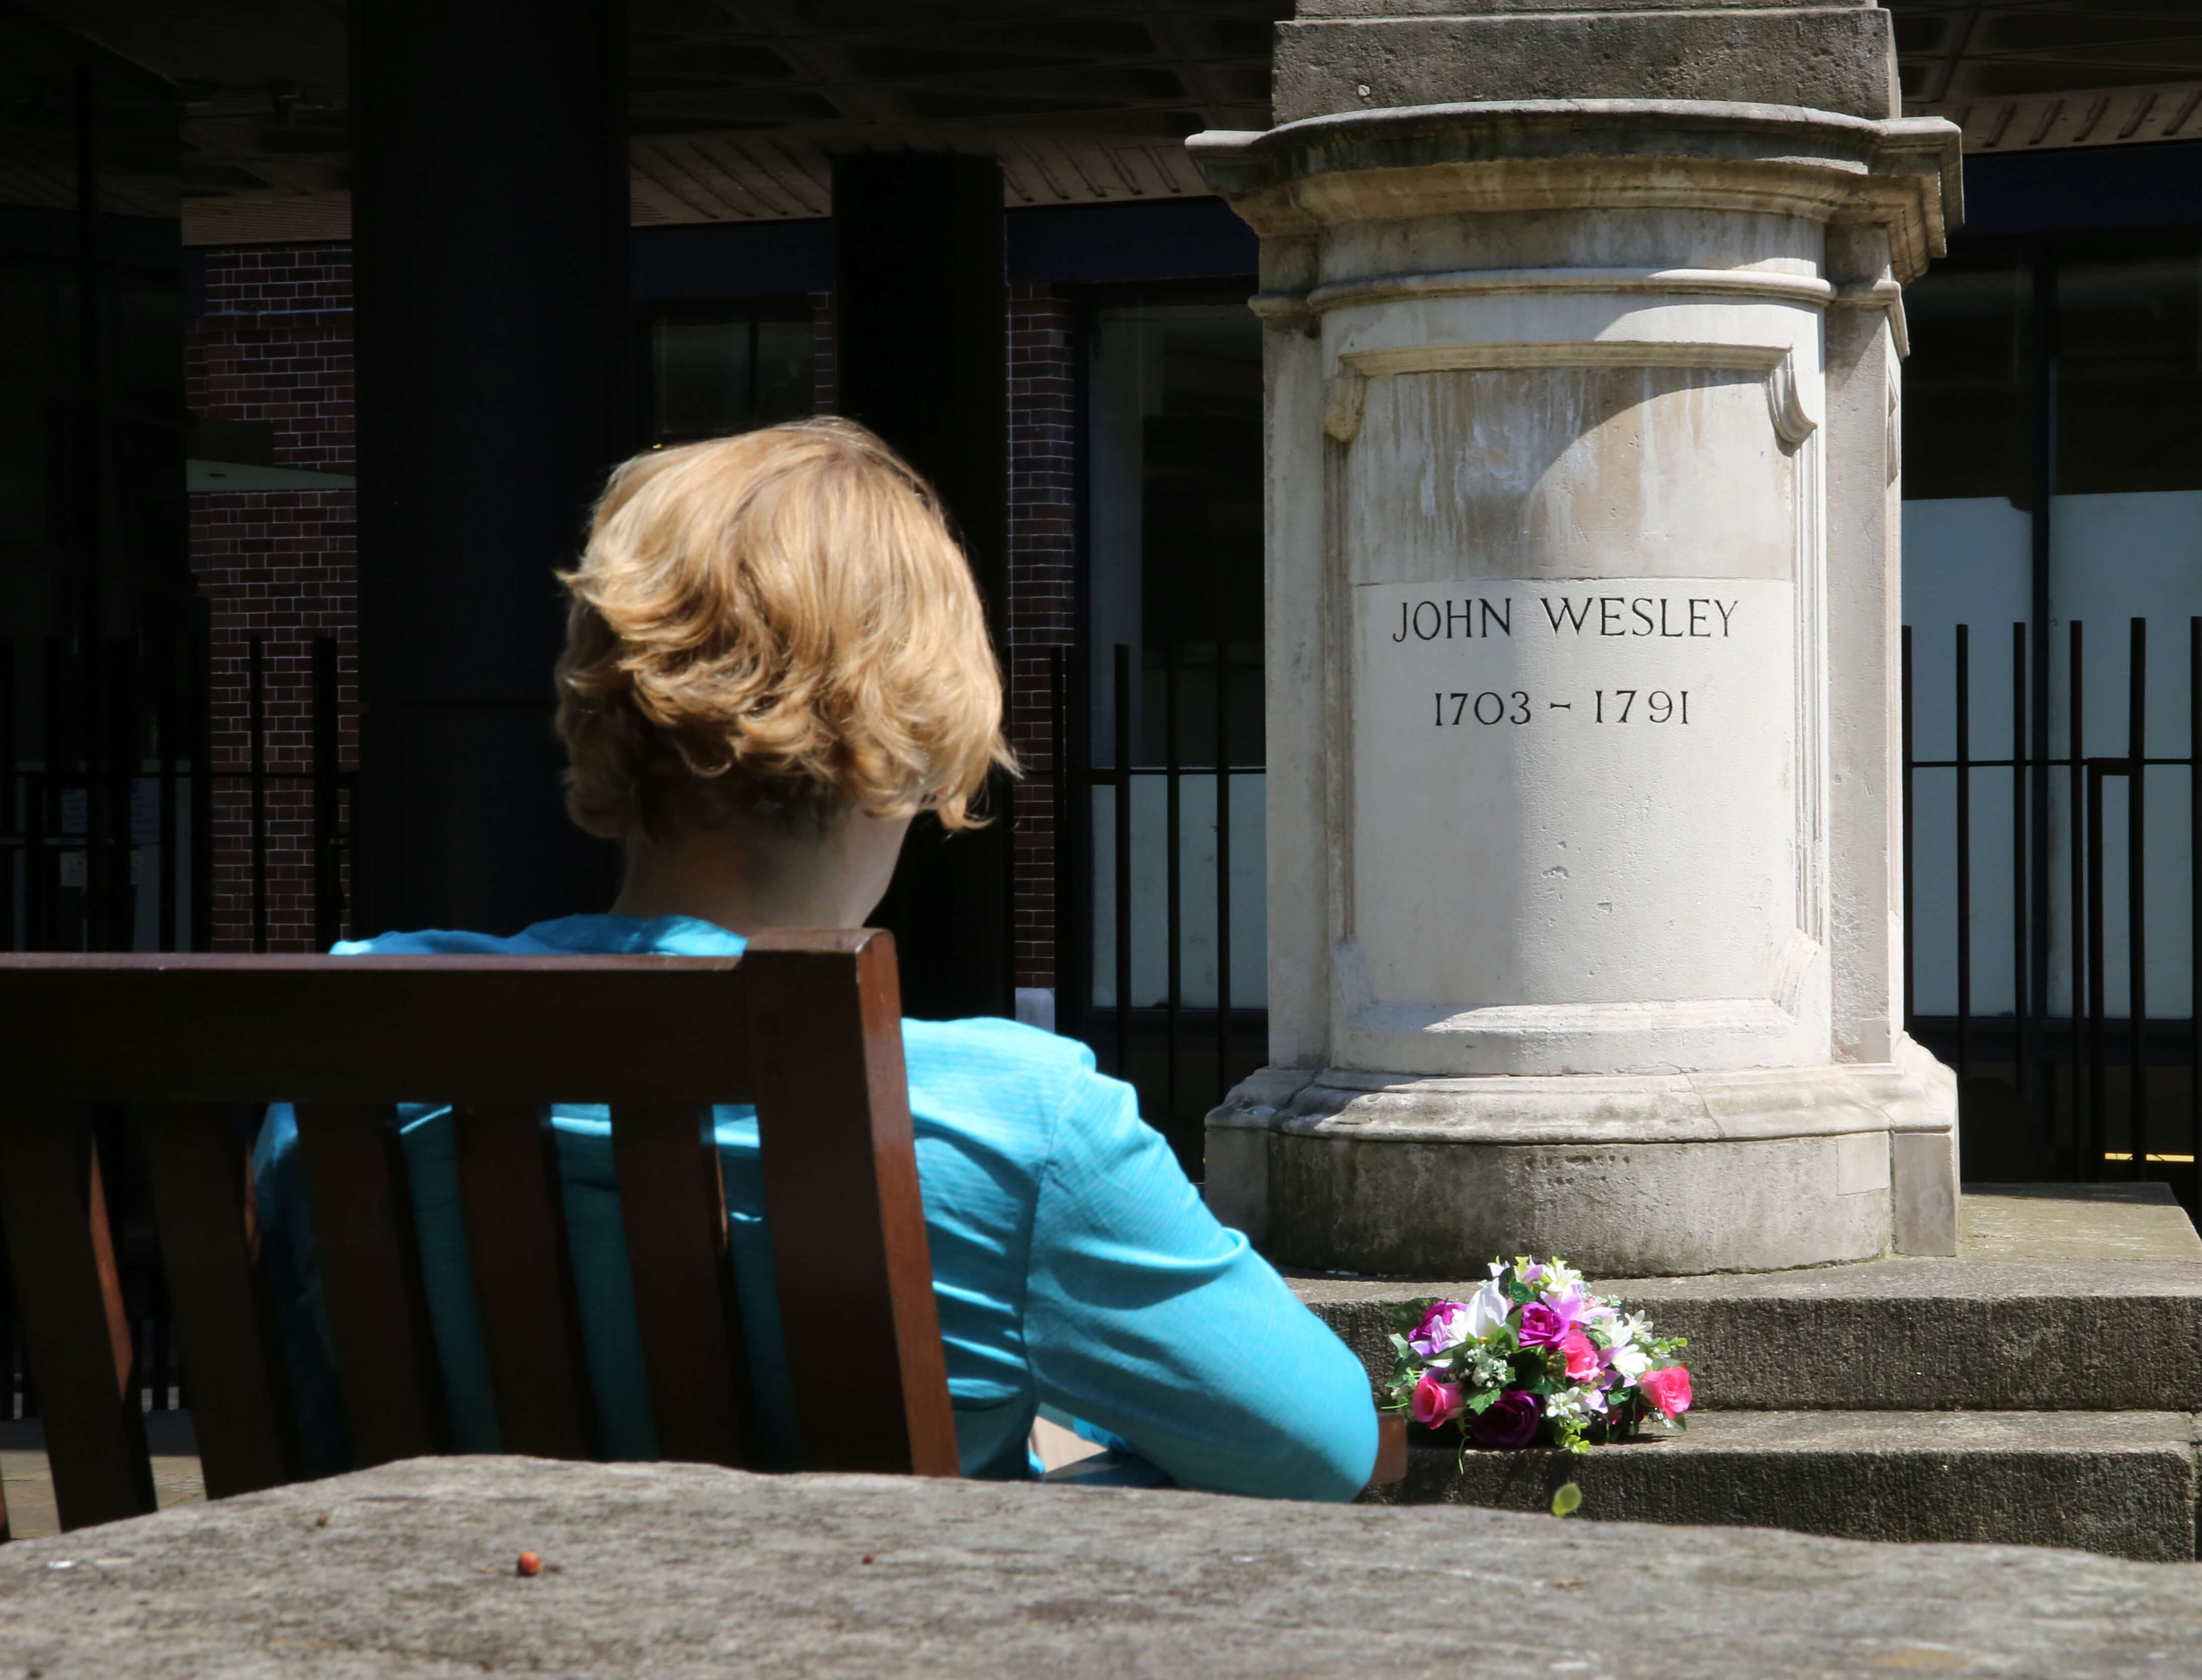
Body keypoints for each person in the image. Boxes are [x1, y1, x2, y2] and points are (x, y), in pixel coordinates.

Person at [254, 417, 1376, 1500]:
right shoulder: (1020, 1122)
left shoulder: (356, 1036)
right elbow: (1325, 1450)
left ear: (604, 700)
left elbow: (310, 1441)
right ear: (916, 735)